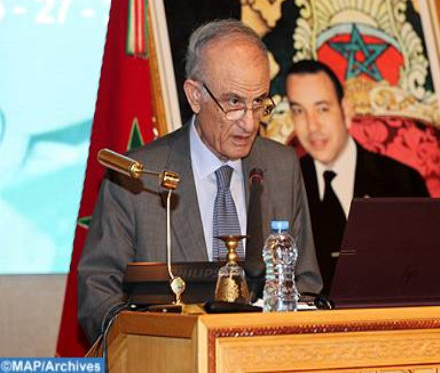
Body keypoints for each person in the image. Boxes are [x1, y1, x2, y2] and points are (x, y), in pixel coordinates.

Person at [78, 20, 322, 343]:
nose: (249, 123)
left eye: (259, 102)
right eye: (234, 102)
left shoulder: (281, 166)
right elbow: (98, 296)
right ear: (195, 96)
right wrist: (153, 343)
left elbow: (305, 283)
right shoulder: (137, 177)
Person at [284, 60, 429, 294]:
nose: (312, 126)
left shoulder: (403, 182)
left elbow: (426, 277)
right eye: (299, 111)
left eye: (322, 109)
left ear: (346, 111)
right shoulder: (284, 187)